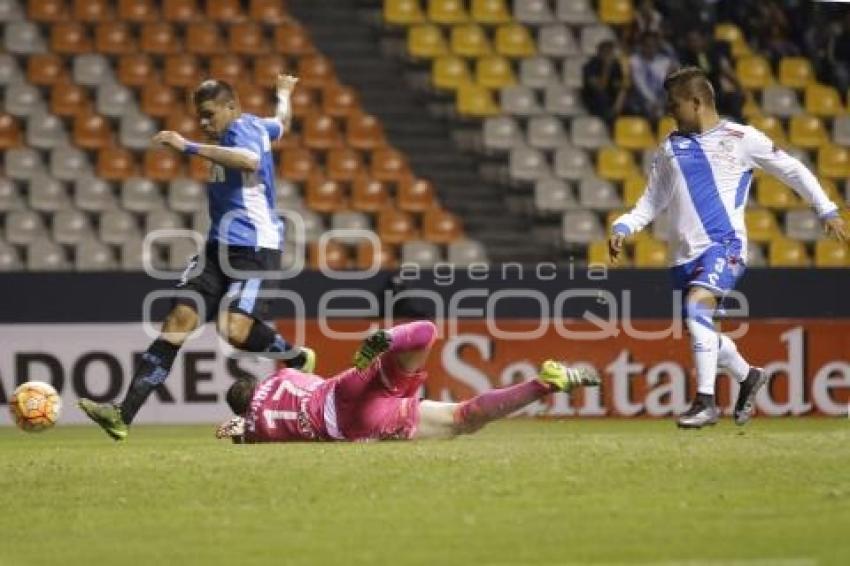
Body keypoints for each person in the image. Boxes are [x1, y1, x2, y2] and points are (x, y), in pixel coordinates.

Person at [607, 67, 848, 429]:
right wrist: (623, 225)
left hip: (725, 245)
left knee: (697, 310)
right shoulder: (670, 146)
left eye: (674, 104)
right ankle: (748, 376)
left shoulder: (741, 138)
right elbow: (651, 200)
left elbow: (794, 170)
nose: (669, 111)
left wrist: (827, 210)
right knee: (700, 328)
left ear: (697, 102)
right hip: (682, 257)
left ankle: (705, 402)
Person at [79, 75, 315, 441]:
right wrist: (284, 94)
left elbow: (250, 161)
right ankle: (122, 415)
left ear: (231, 107)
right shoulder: (255, 125)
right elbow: (282, 124)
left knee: (233, 329)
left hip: (254, 247)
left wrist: (188, 145)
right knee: (178, 320)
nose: (204, 123)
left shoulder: (240, 132)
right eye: (199, 117)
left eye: (209, 115)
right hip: (216, 247)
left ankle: (297, 358)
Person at [215, 321, 600, 443]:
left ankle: (545, 385)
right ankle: (393, 338)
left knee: (462, 418)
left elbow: (241, 431)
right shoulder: (283, 376)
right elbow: (308, 361)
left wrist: (238, 431)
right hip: (343, 388)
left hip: (353, 424)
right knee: (428, 332)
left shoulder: (253, 425)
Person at [678, 29, 744, 121]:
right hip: (697, 97)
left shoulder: (712, 55)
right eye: (691, 41)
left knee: (734, 98)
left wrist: (740, 88)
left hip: (715, 93)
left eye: (696, 40)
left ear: (702, 40)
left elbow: (727, 72)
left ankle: (739, 126)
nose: (694, 44)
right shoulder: (685, 59)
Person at [629, 31, 678, 122]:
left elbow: (665, 85)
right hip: (642, 100)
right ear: (642, 46)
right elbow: (640, 85)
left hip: (661, 100)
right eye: (647, 45)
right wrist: (653, 102)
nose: (651, 49)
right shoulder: (635, 61)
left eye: (653, 46)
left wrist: (660, 102)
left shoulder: (664, 61)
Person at [582, 40, 632, 125]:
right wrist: (606, 68)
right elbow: (599, 87)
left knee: (630, 104)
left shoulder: (616, 65)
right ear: (599, 52)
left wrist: (618, 103)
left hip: (612, 100)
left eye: (610, 52)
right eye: (605, 51)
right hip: (594, 99)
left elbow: (621, 86)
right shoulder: (590, 66)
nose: (608, 54)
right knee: (601, 97)